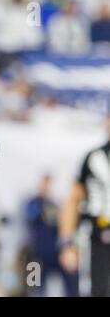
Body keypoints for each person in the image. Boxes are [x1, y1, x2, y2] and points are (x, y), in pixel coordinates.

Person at [58, 115, 110, 297]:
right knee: (95, 289)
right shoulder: (94, 158)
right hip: (95, 235)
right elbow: (73, 200)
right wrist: (67, 243)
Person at [24, 175, 78, 297]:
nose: (47, 187)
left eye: (49, 184)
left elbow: (63, 226)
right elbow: (29, 217)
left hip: (54, 252)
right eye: (45, 183)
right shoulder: (33, 202)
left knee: (70, 278)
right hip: (36, 253)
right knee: (34, 286)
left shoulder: (55, 204)